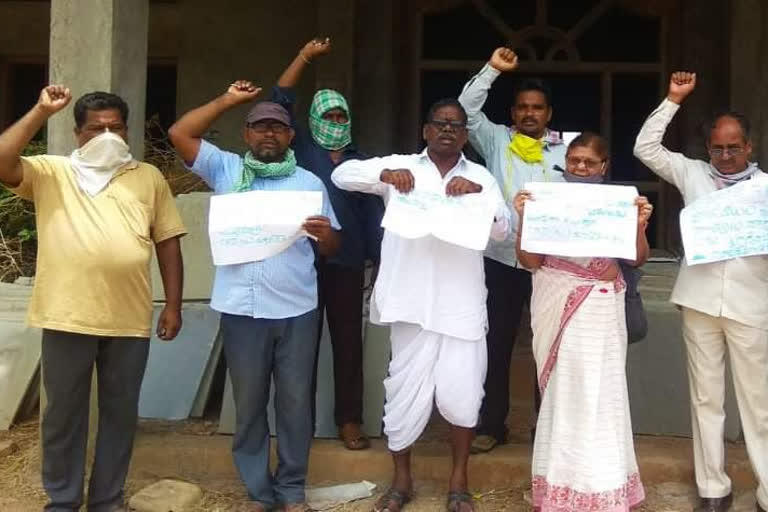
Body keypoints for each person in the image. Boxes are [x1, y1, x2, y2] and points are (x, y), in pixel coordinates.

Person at [0, 85, 187, 512]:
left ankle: (107, 500)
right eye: (95, 129)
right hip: (67, 316)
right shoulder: (52, 171)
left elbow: (169, 243)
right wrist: (40, 110)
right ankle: (63, 501)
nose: (106, 136)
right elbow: (2, 160)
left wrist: (173, 306)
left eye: (115, 128)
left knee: (120, 417)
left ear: (128, 130)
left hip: (129, 318)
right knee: (63, 417)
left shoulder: (148, 177)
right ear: (77, 134)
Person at [168, 82, 341, 512]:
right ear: (246, 134)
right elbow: (179, 134)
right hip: (241, 310)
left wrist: (325, 236)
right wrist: (227, 100)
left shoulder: (308, 182)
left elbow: (332, 246)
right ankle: (259, 492)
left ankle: (292, 489)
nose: (269, 135)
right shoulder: (226, 170)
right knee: (248, 404)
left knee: (296, 403)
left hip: (296, 308)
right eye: (260, 128)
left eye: (277, 129)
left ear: (290, 137)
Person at [332, 99, 511, 512]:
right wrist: (384, 174)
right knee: (402, 393)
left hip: (460, 302)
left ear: (466, 135)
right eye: (440, 123)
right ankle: (401, 480)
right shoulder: (401, 168)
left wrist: (478, 195)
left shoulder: (481, 176)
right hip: (409, 301)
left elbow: (502, 231)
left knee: (464, 393)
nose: (448, 130)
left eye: (456, 125)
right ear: (426, 130)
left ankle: (459, 482)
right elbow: (341, 175)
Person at [634, 71, 768, 512]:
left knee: (759, 403)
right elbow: (645, 148)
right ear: (707, 147)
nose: (726, 155)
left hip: (752, 303)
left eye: (734, 147)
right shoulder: (692, 172)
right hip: (699, 300)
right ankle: (713, 487)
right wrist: (673, 100)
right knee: (706, 398)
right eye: (718, 147)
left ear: (749, 147)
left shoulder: (765, 189)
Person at [514, 133, 651, 512]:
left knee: (603, 394)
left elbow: (637, 259)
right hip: (556, 300)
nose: (581, 168)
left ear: (604, 166)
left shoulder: (618, 202)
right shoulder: (547, 200)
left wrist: (639, 223)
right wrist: (525, 218)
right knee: (563, 394)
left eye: (590, 162)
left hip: (602, 308)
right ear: (566, 162)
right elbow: (530, 261)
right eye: (574, 161)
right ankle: (560, 490)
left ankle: (605, 490)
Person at [272, 37, 384, 450]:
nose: (335, 121)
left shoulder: (360, 159)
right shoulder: (299, 146)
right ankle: (297, 424)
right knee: (300, 343)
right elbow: (280, 98)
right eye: (329, 114)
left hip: (348, 263)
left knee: (348, 344)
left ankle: (350, 421)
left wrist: (378, 260)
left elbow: (373, 217)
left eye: (341, 114)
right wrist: (303, 56)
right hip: (300, 259)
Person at [458, 47, 566, 453]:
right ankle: (491, 426)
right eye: (522, 107)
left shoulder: (564, 150)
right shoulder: (496, 140)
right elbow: (466, 110)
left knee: (547, 346)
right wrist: (492, 70)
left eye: (537, 108)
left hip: (549, 265)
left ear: (549, 114)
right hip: (501, 259)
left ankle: (547, 429)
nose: (529, 114)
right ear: (514, 112)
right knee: (495, 343)